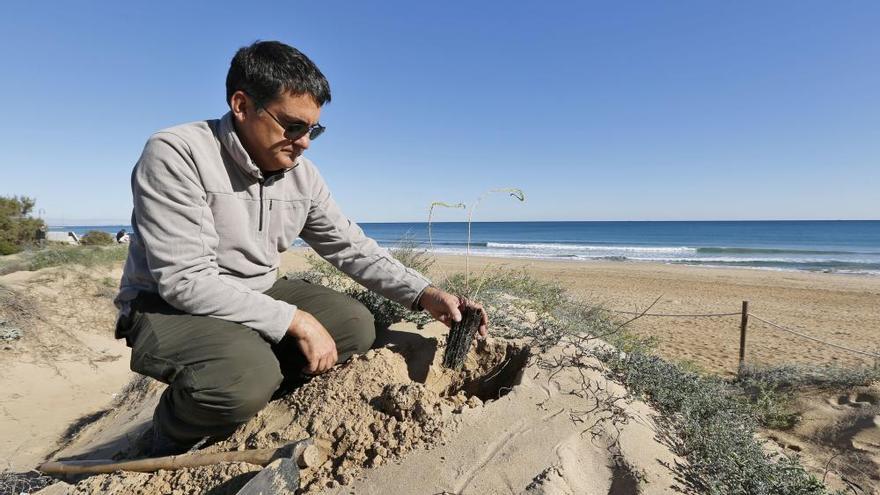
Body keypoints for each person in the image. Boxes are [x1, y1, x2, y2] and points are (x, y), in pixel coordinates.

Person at [113, 40, 489, 455]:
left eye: (314, 130)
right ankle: (168, 432)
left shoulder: (301, 174)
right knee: (242, 379)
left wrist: (424, 293)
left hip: (256, 291)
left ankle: (260, 393)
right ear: (241, 105)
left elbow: (350, 246)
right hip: (165, 305)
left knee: (354, 325)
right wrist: (296, 321)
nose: (305, 141)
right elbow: (185, 282)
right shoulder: (177, 153)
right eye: (293, 126)